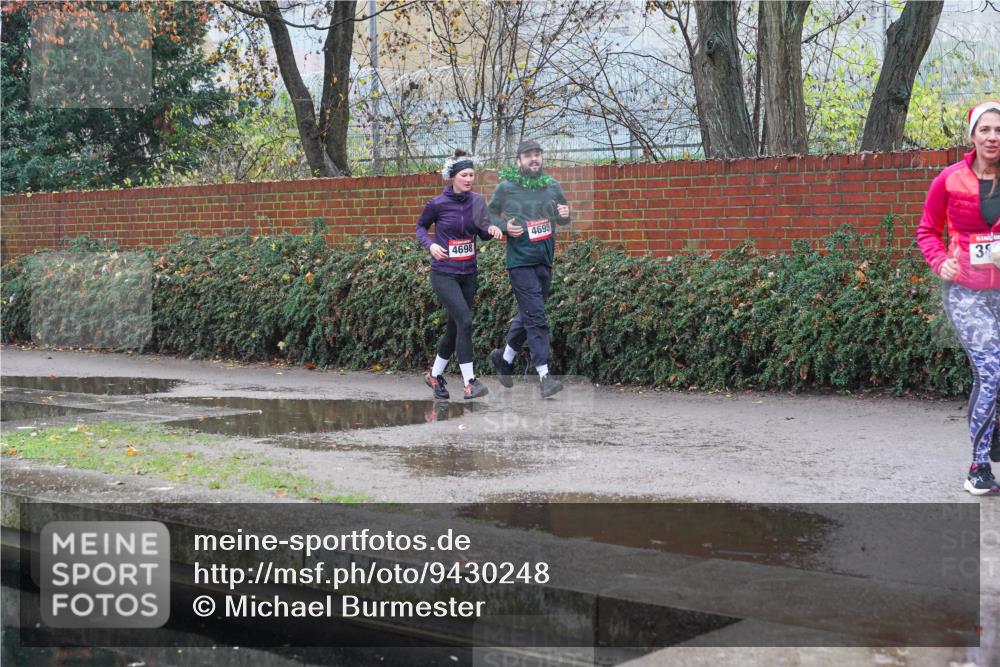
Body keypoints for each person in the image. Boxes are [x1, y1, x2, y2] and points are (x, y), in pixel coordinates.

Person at [917, 100, 1000, 495]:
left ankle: (995, 426)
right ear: (972, 135)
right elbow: (926, 231)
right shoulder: (948, 180)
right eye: (985, 129)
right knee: (991, 371)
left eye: (999, 130)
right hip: (966, 292)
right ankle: (978, 466)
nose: (993, 137)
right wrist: (939, 262)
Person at [485, 139, 571, 398]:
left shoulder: (552, 186)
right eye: (528, 155)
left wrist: (566, 214)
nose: (534, 159)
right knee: (536, 316)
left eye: (537, 155)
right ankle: (544, 375)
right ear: (518, 161)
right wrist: (503, 228)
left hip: (544, 260)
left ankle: (505, 359)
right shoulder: (506, 188)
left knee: (530, 312)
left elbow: (563, 216)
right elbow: (487, 217)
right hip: (520, 261)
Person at [416, 149, 504, 400]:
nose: (469, 179)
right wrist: (430, 245)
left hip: (469, 273)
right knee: (465, 321)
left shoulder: (477, 201)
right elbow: (420, 226)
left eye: (472, 175)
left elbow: (483, 230)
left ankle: (434, 375)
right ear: (453, 177)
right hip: (444, 274)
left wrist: (494, 229)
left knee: (455, 329)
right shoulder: (437, 204)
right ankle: (470, 382)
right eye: (464, 175)